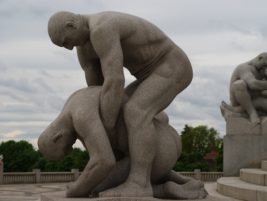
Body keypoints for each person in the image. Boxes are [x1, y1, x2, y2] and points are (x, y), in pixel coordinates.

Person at [48, 11, 193, 197]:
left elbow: (115, 81)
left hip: (172, 65)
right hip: (148, 76)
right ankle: (160, 175)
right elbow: (98, 92)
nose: (68, 48)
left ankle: (140, 183)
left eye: (66, 41)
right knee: (126, 110)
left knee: (136, 111)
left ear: (71, 25)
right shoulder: (84, 49)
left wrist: (108, 129)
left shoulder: (102, 28)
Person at [38, 86, 207, 199]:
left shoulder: (80, 115)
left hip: (158, 150)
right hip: (167, 137)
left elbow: (104, 161)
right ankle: (183, 182)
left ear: (57, 137)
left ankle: (165, 189)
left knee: (95, 187)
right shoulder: (76, 98)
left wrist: (75, 190)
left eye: (67, 147)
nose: (72, 147)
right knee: (113, 172)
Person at [222, 52, 267, 123]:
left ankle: (246, 110)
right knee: (239, 84)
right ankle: (252, 113)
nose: (264, 68)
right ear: (259, 58)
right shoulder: (244, 67)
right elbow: (253, 84)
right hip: (238, 101)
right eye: (264, 65)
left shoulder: (261, 70)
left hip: (255, 99)